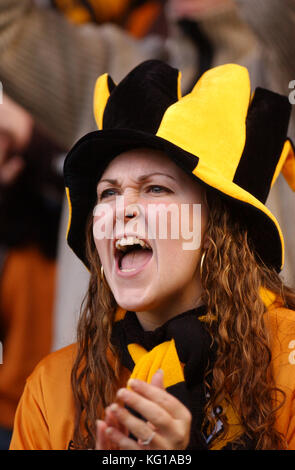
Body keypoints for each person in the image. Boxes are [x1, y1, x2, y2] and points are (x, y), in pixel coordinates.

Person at [8, 60, 295, 450]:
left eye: (156, 188)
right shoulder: (53, 388)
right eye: (107, 192)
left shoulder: (287, 360)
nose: (121, 208)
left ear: (217, 228)